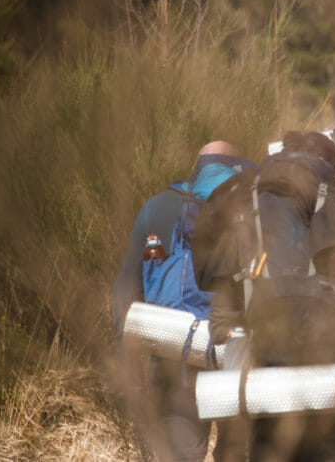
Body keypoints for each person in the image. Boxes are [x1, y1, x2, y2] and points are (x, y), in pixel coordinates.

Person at [194, 131, 335, 462]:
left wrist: (226, 327)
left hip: (267, 350)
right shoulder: (333, 194)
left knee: (272, 445)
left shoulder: (245, 197)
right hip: (329, 351)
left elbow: (220, 282)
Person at [112, 140, 256, 462]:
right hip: (229, 352)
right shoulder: (249, 210)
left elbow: (125, 291)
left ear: (195, 167)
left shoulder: (157, 207)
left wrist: (128, 362)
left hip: (172, 351)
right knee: (235, 452)